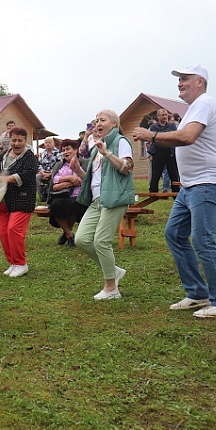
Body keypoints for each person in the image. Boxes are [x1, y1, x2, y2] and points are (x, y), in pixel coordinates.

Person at [132, 64, 216, 318]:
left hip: (206, 183)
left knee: (202, 240)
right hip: (191, 185)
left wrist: (151, 135)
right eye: (179, 79)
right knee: (175, 234)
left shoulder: (205, 103)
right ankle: (198, 293)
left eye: (184, 78)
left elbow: (188, 137)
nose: (180, 83)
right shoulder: (194, 109)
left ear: (200, 82)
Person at [74, 109, 135, 300]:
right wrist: (78, 170)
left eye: (103, 120)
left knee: (101, 241)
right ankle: (113, 271)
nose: (98, 123)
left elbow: (127, 168)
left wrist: (107, 152)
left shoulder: (120, 142)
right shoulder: (96, 148)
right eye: (96, 120)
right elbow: (95, 179)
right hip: (97, 199)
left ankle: (111, 288)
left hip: (115, 198)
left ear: (114, 124)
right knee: (82, 239)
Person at [0, 126, 38, 277]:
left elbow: (28, 175)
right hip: (2, 200)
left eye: (20, 141)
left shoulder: (30, 157)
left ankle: (21, 263)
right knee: (3, 232)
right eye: (14, 140)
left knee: (13, 229)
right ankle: (13, 262)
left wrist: (6, 179)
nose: (16, 144)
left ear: (25, 141)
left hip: (22, 199)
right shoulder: (3, 155)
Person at [46, 139, 88, 247]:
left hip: (78, 196)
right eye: (63, 150)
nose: (65, 152)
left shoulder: (84, 163)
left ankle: (67, 234)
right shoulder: (59, 165)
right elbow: (54, 182)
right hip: (61, 195)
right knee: (56, 205)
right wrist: (70, 178)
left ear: (76, 150)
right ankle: (69, 234)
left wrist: (62, 183)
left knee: (75, 204)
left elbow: (82, 180)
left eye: (68, 149)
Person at [148, 109, 180, 193]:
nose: (164, 117)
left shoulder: (172, 126)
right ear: (158, 116)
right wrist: (164, 136)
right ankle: (153, 193)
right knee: (156, 174)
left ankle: (176, 193)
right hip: (158, 153)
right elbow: (154, 138)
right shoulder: (153, 127)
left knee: (174, 174)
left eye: (166, 115)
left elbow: (172, 136)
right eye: (162, 115)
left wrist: (160, 136)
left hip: (170, 153)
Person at [37, 136, 61, 202]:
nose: (47, 144)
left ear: (53, 144)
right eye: (46, 142)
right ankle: (42, 196)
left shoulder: (58, 152)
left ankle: (50, 195)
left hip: (54, 172)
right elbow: (39, 164)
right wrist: (43, 173)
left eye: (49, 142)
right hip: (44, 172)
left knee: (54, 178)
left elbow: (59, 165)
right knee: (37, 177)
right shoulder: (42, 153)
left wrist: (50, 174)